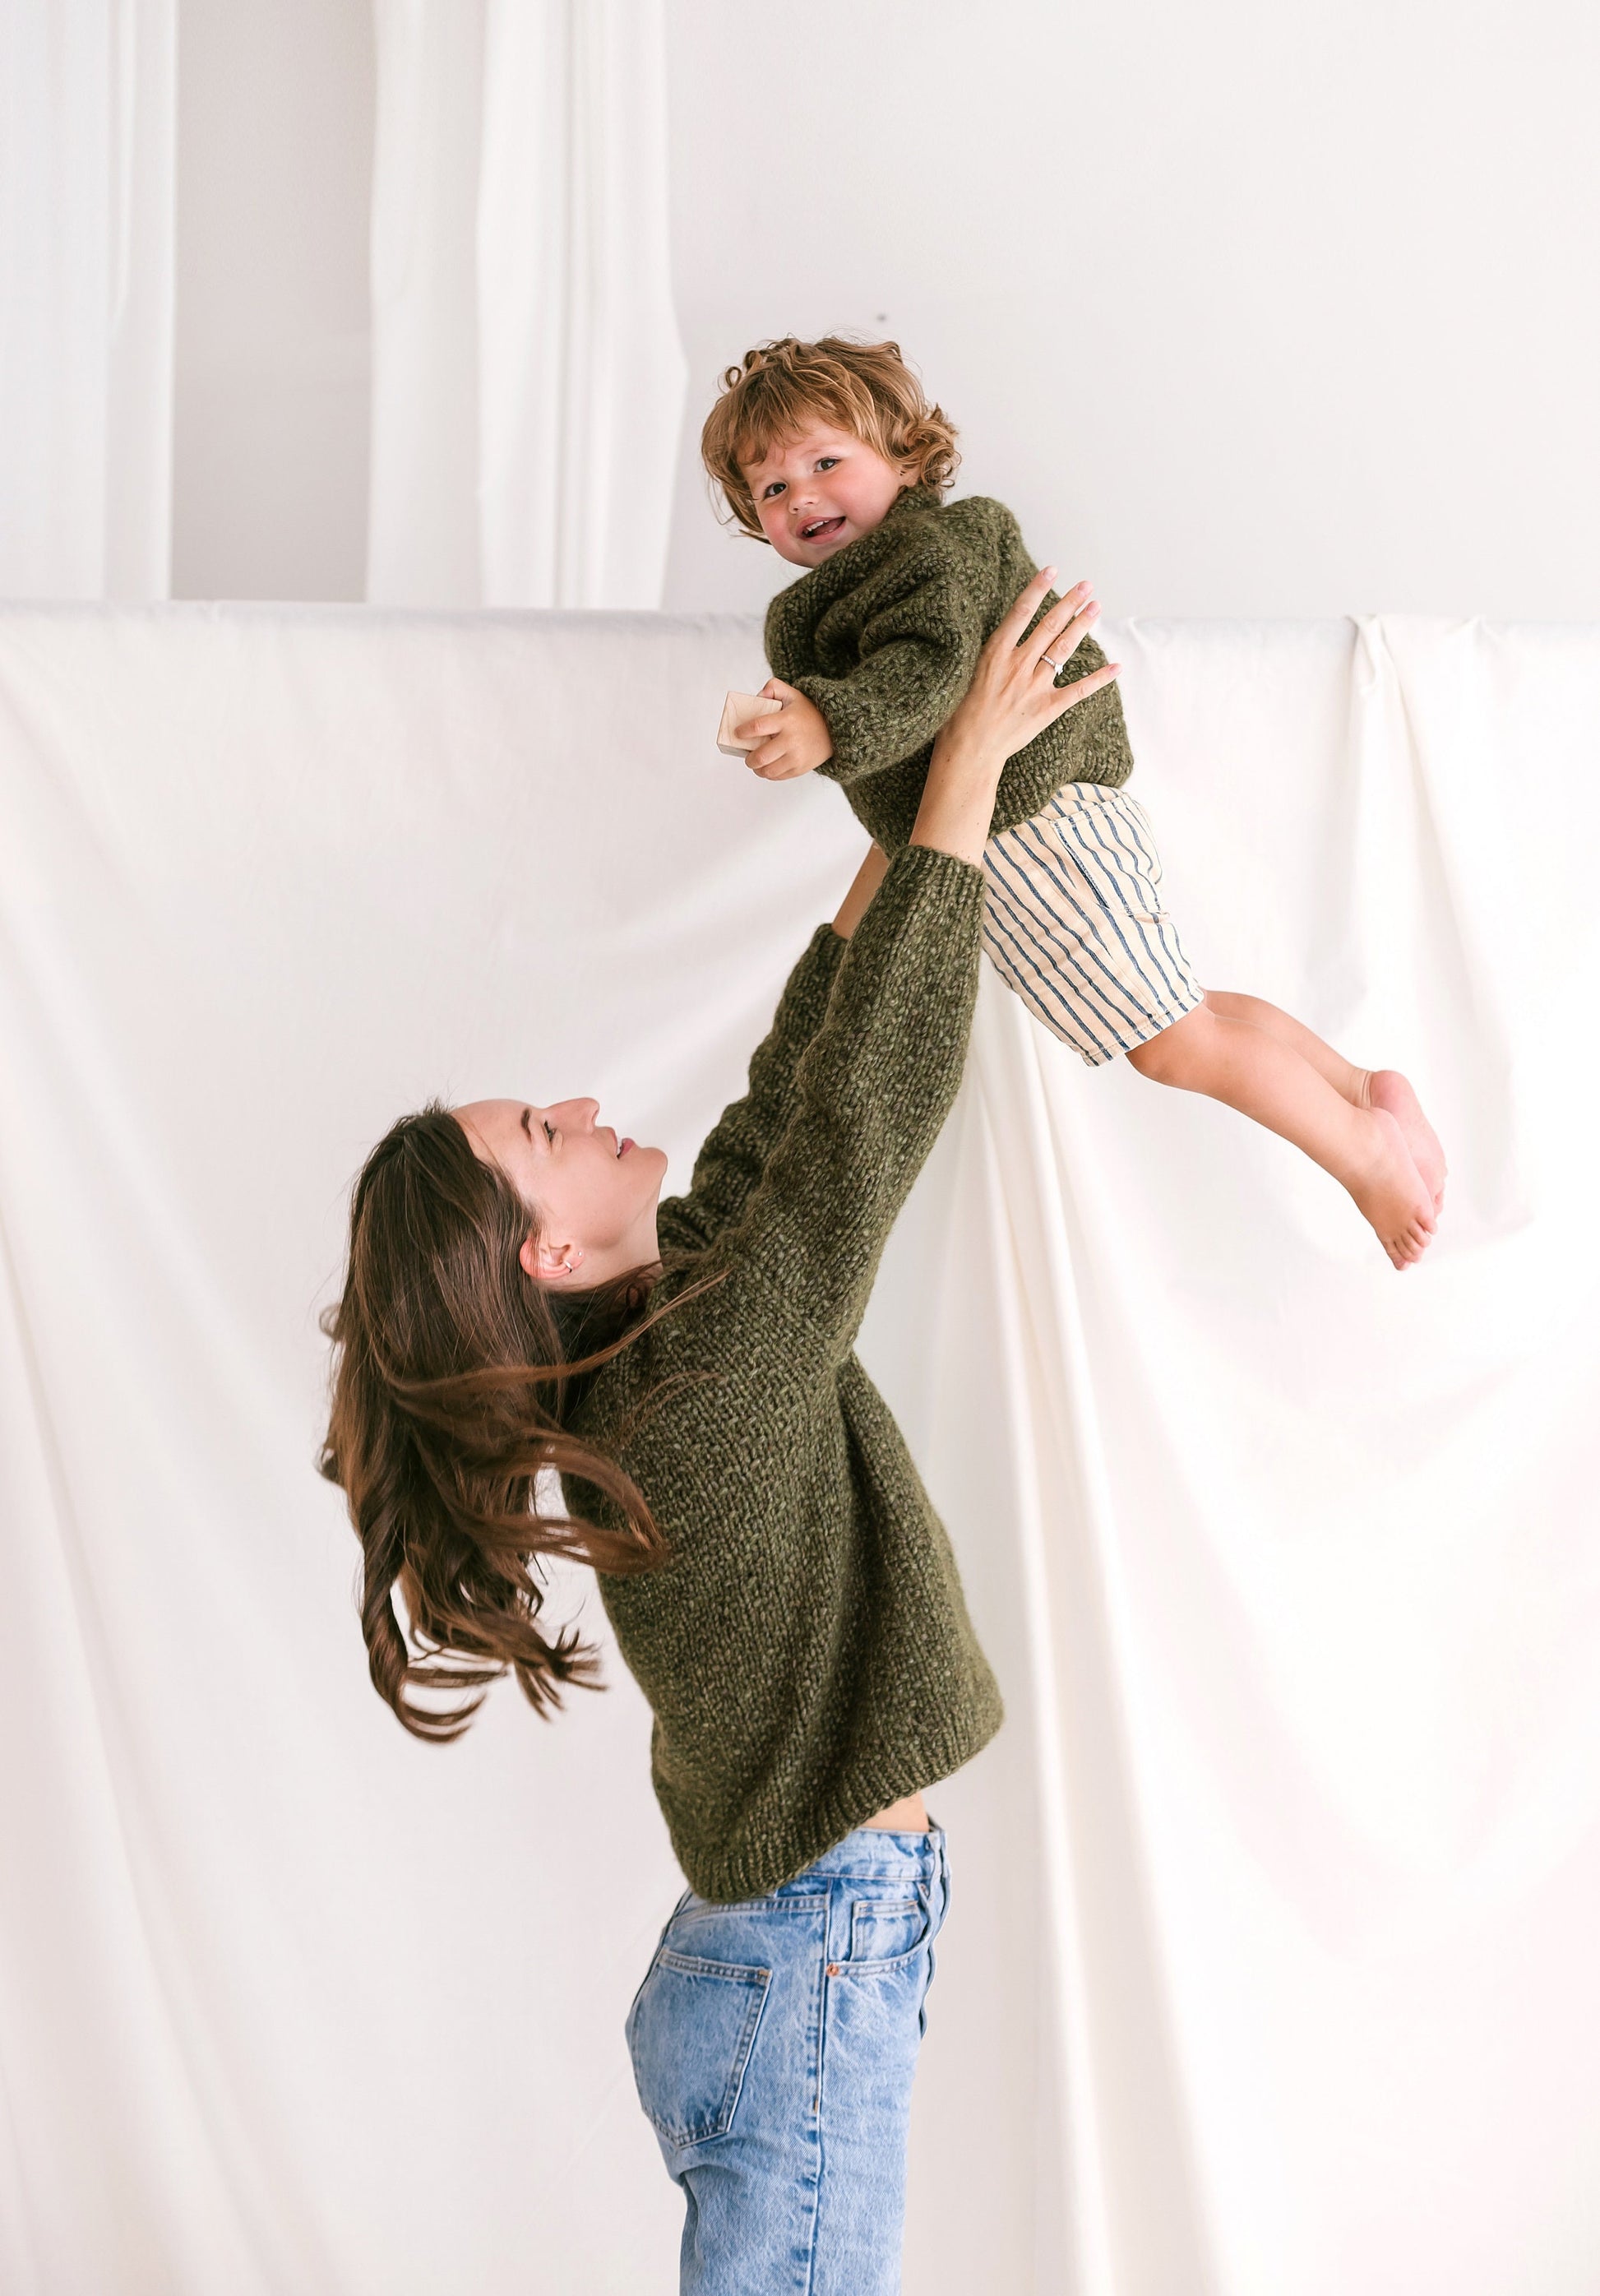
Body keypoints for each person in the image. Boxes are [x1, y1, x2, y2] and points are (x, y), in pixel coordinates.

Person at [319, 570, 1115, 2296]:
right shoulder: (689, 1397)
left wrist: (915, 802)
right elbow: (855, 1118)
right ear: (543, 1250)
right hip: (806, 1955)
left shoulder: (662, 1334)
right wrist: (963, 767)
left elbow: (791, 1095)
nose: (594, 1107)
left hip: (789, 1952)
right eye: (548, 1124)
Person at [701, 335, 1448, 1271]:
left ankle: (1360, 1153)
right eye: (770, 489)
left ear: (901, 458)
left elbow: (926, 673)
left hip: (1025, 827)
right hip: (1040, 824)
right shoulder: (877, 576)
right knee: (1187, 1010)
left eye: (823, 463)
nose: (801, 496)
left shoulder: (916, 559)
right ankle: (1358, 1087)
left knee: (1171, 1045)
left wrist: (827, 724)